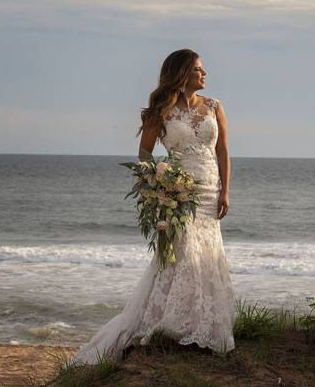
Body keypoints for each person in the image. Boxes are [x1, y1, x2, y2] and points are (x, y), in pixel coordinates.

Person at [70, 48, 236, 366]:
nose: (205, 74)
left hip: (208, 195)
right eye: (199, 69)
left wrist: (225, 191)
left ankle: (204, 326)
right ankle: (169, 325)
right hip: (179, 197)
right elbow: (144, 155)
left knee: (207, 256)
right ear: (183, 72)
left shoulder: (215, 107)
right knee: (182, 256)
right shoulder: (162, 111)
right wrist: (161, 187)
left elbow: (224, 150)